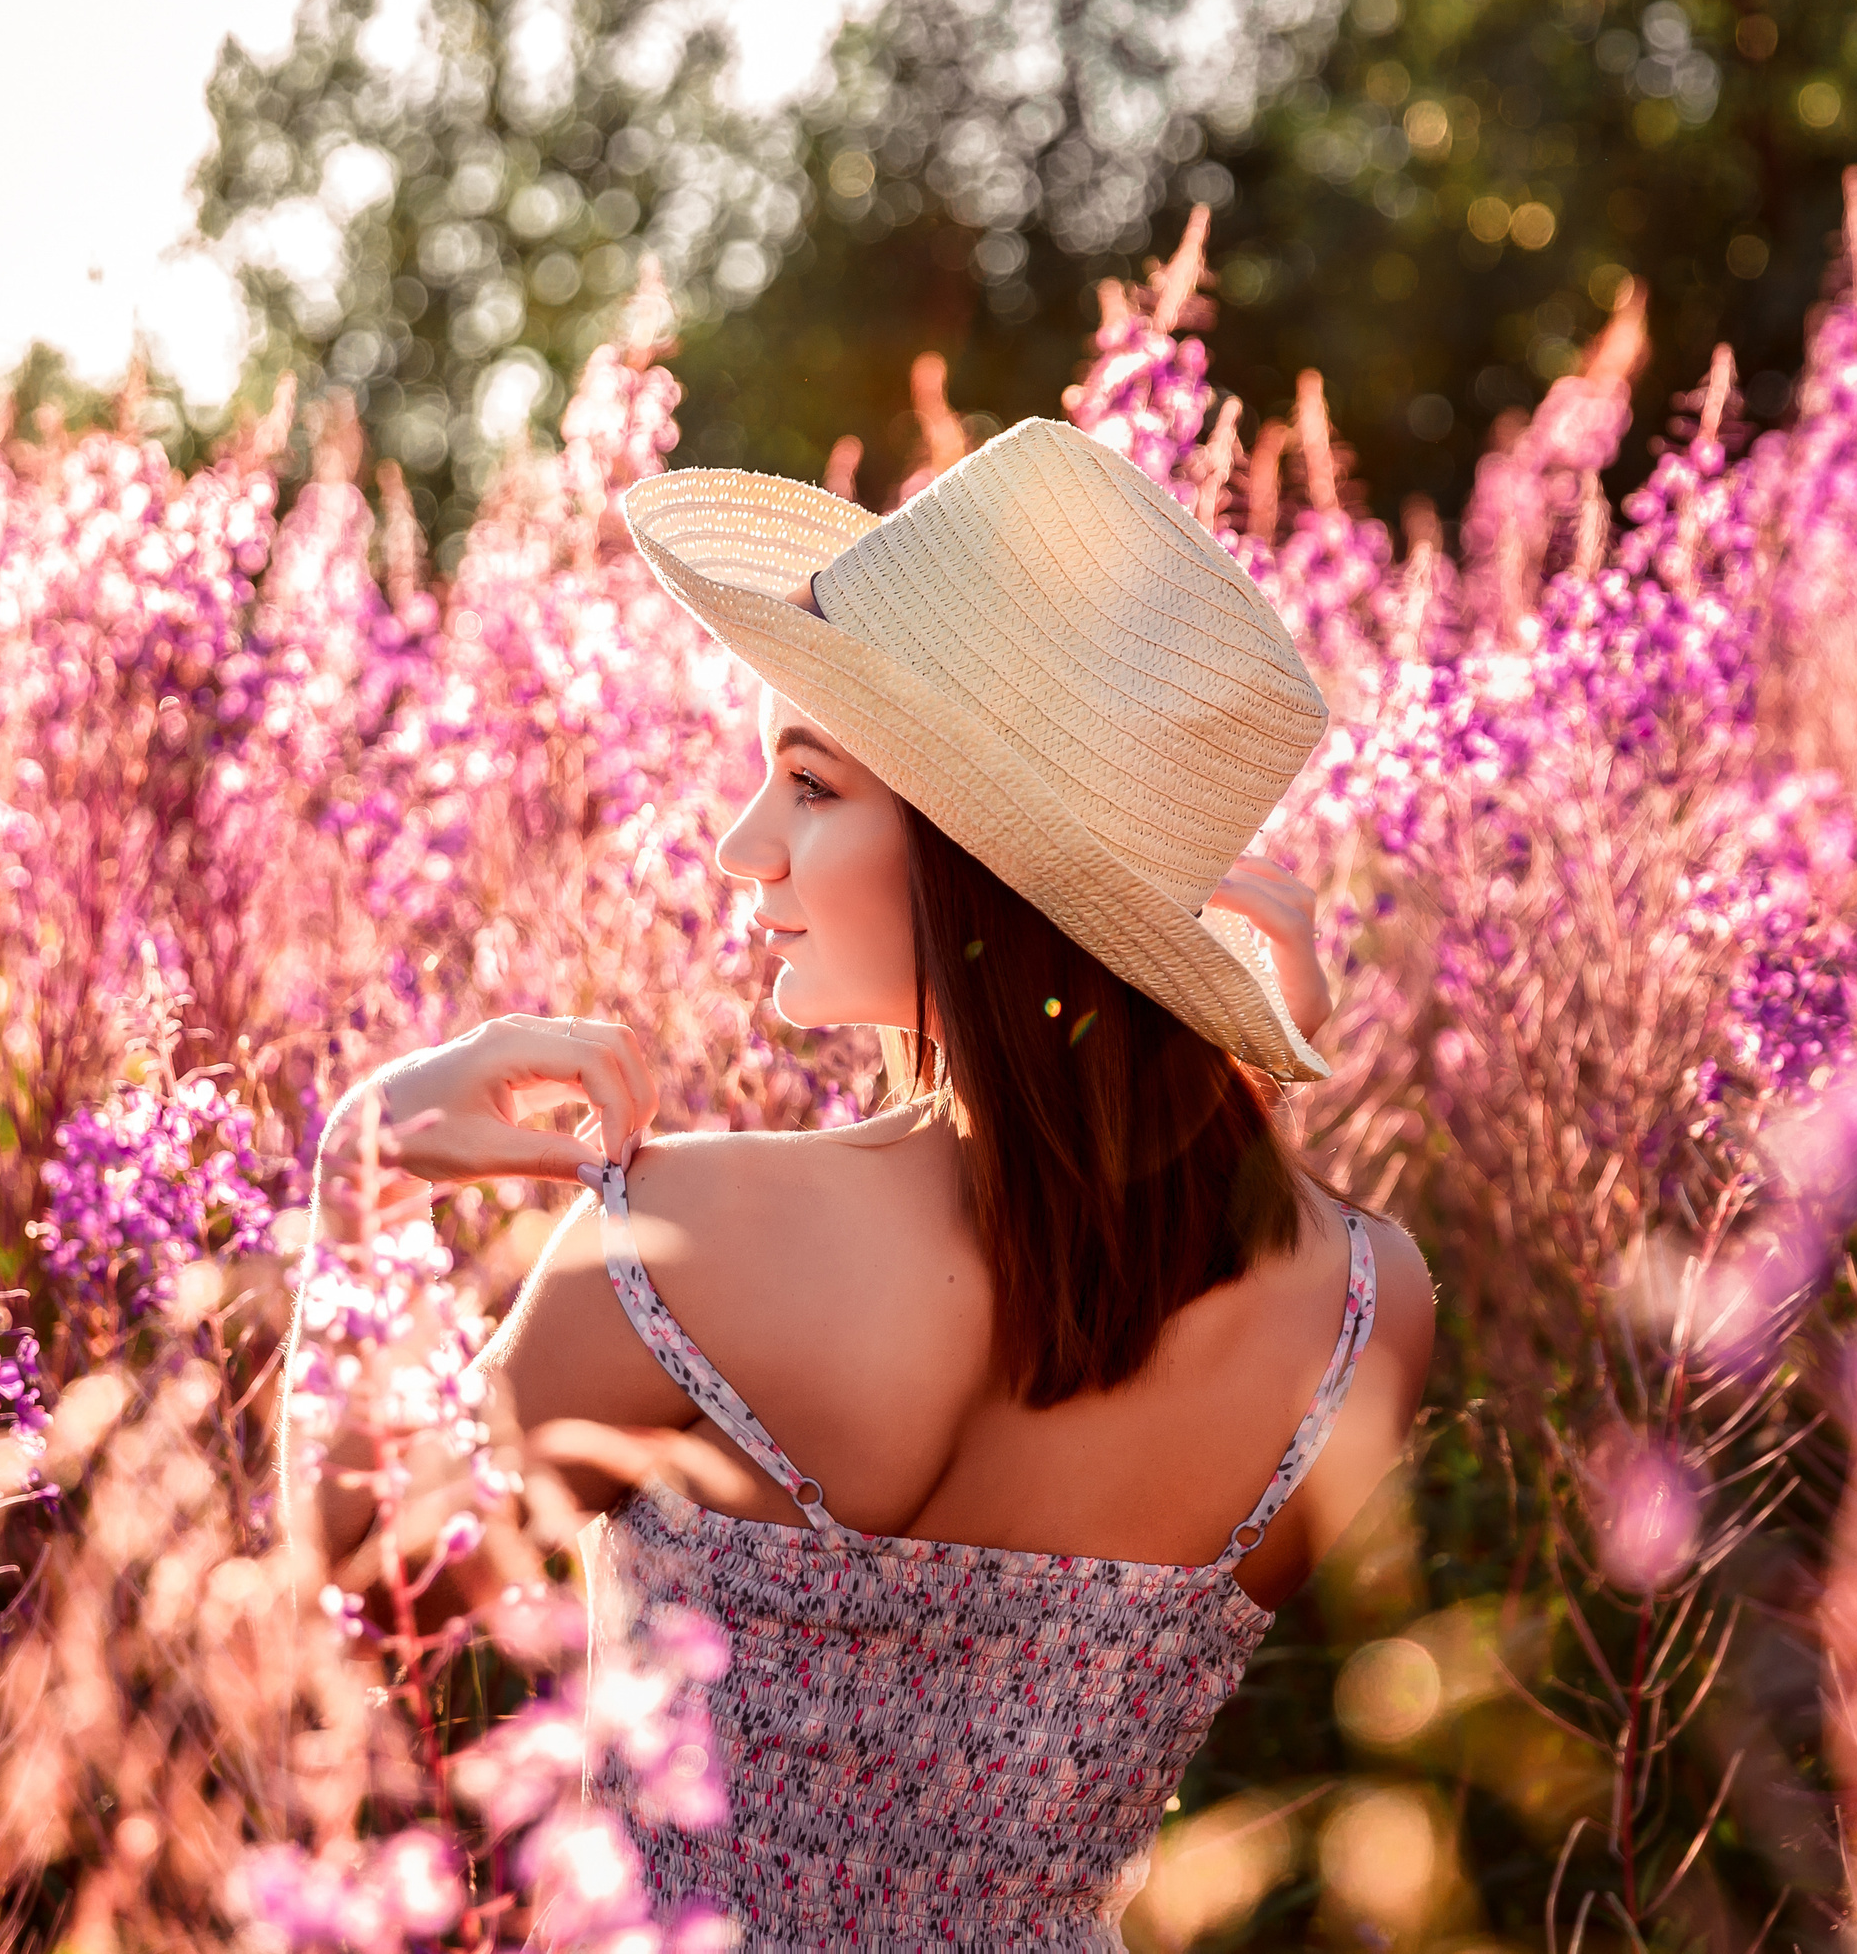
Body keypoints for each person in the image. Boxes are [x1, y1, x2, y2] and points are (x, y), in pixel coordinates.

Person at [333, 417, 1434, 1946]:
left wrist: (351, 1197)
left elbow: (346, 1618)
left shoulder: (679, 1238)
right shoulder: (1367, 1312)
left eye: (811, 786)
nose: (741, 848)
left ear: (979, 857)